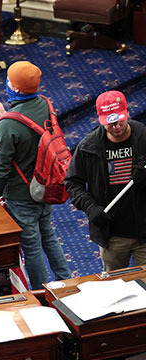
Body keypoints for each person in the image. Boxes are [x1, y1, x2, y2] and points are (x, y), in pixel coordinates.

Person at [0, 61, 71, 290]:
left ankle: (43, 292)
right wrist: (4, 115)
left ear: (17, 89)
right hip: (47, 186)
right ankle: (67, 281)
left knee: (32, 247)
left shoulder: (8, 126)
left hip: (22, 196)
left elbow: (0, 166)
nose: (8, 84)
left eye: (10, 81)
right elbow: (30, 130)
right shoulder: (45, 103)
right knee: (49, 237)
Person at [65, 90, 146, 272]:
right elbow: (72, 182)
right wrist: (90, 207)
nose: (116, 126)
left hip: (144, 229)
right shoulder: (89, 146)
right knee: (116, 288)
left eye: (119, 120)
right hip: (112, 234)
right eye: (109, 122)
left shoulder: (143, 136)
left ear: (127, 113)